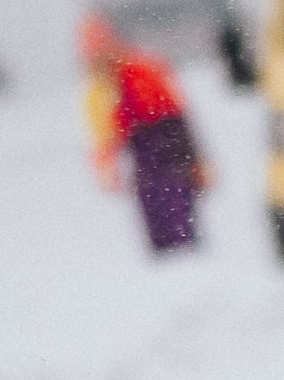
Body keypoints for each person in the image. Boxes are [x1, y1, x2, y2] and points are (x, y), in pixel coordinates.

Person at [80, 15, 206, 253]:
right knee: (158, 211)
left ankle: (185, 258)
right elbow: (104, 134)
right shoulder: (100, 89)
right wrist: (107, 167)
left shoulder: (141, 70)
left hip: (166, 144)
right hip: (145, 155)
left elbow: (174, 113)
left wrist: (194, 160)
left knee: (175, 208)